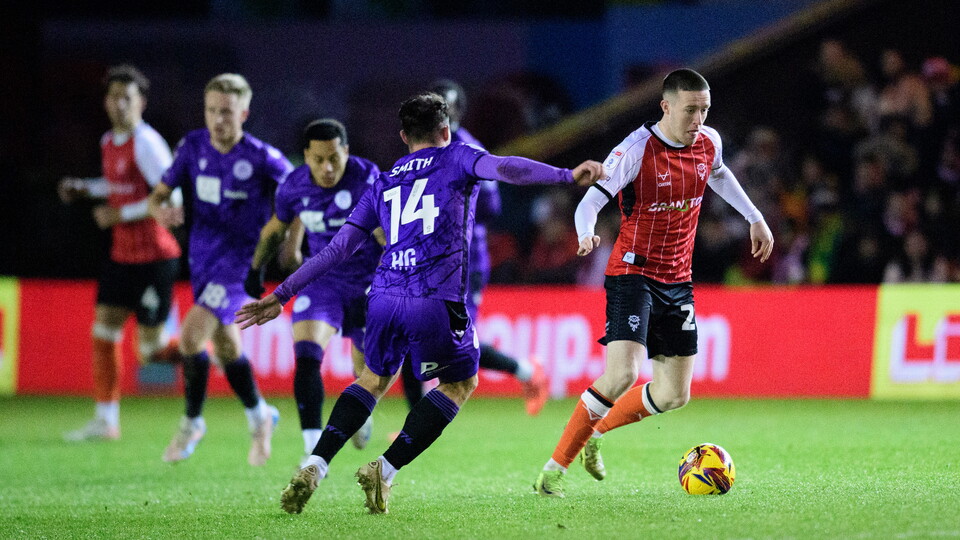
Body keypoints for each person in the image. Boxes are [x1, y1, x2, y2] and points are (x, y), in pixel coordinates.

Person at [236, 92, 603, 514]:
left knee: (371, 381)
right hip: (436, 297)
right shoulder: (458, 156)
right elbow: (504, 167)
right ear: (445, 131)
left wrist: (281, 293)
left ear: (403, 136)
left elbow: (336, 250)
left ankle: (315, 464)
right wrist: (564, 175)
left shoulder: (385, 179)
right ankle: (385, 470)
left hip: (384, 296)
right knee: (460, 384)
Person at [533, 68, 774, 497]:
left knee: (673, 395)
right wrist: (586, 231)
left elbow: (717, 173)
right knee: (622, 373)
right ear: (666, 106)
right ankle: (554, 470)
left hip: (678, 279)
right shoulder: (635, 150)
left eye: (704, 109)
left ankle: (597, 432)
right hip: (633, 270)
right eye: (690, 110)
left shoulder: (709, 142)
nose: (698, 119)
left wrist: (754, 217)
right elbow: (590, 201)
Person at [148, 73, 293, 466]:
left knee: (193, 337)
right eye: (212, 110)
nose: (218, 119)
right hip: (202, 260)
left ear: (244, 113)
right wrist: (163, 211)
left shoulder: (262, 157)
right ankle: (261, 415)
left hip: (241, 264)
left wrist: (289, 241)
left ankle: (192, 422)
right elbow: (157, 198)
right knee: (228, 347)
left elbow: (299, 193)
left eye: (226, 111)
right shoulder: (192, 147)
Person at [396, 79, 548, 417]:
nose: (443, 120)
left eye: (448, 112)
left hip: (465, 261)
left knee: (455, 343)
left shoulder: (469, 152)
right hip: (424, 259)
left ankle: (526, 371)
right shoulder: (421, 149)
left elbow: (492, 207)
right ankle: (414, 420)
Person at [245, 119, 382, 463]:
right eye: (318, 159)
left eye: (335, 158)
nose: (327, 167)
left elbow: (386, 232)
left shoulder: (368, 179)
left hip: (369, 281)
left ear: (346, 151)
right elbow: (275, 228)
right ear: (306, 156)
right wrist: (255, 268)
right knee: (306, 354)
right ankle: (311, 448)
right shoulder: (293, 187)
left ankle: (362, 413)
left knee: (365, 370)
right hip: (323, 282)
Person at [59, 64, 183, 442]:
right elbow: (119, 185)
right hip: (121, 256)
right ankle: (105, 419)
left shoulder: (146, 142)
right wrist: (87, 188)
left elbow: (172, 197)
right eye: (113, 97)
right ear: (106, 102)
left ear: (140, 103)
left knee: (150, 351)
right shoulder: (108, 142)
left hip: (154, 257)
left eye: (127, 98)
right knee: (103, 330)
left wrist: (119, 214)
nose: (119, 105)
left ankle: (208, 349)